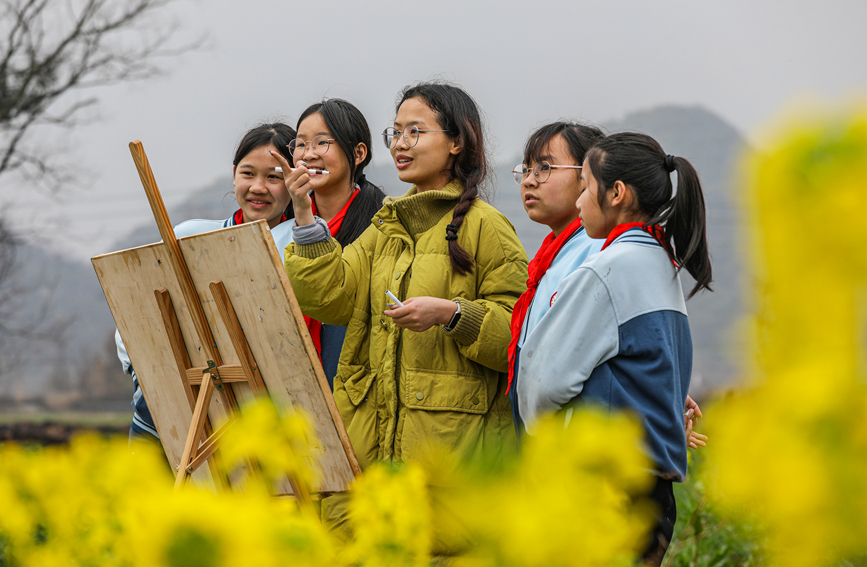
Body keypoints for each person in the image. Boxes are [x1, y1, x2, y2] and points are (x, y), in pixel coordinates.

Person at [276, 82, 528, 552]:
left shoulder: (487, 227)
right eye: (396, 132)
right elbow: (330, 296)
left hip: (447, 469)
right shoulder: (385, 227)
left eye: (416, 131)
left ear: (457, 142)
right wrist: (305, 216)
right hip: (372, 462)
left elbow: (517, 336)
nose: (401, 143)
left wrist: (453, 315)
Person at [516, 132, 713, 565]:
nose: (582, 201)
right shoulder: (662, 262)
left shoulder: (608, 268)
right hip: (652, 493)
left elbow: (542, 383)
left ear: (617, 193)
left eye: (586, 187)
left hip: (602, 487)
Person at [507, 123, 707, 451]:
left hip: (590, 459)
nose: (529, 179)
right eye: (526, 169)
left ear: (615, 192)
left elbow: (546, 381)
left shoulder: (601, 256)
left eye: (545, 168)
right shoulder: (645, 253)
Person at [285, 99, 386, 385]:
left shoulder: (382, 225)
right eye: (301, 145)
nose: (308, 154)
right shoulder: (287, 230)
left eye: (321, 143)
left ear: (358, 153)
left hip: (359, 388)